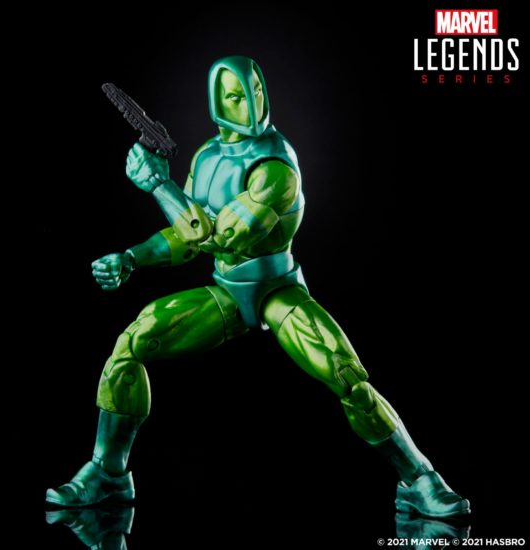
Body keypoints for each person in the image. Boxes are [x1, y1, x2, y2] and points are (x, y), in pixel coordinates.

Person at [47, 56, 469, 518]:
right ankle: (107, 473)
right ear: (216, 102)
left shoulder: (276, 166)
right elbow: (185, 239)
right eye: (235, 96)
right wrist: (132, 257)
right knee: (132, 344)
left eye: (257, 92)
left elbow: (222, 236)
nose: (249, 105)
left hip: (276, 291)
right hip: (227, 291)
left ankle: (420, 479)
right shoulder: (206, 157)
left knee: (345, 373)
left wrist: (159, 188)